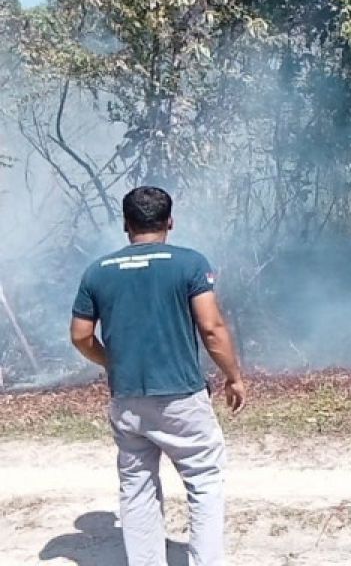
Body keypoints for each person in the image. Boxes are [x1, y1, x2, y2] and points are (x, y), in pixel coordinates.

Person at [69, 186, 246, 566]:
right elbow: (211, 328)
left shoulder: (97, 271)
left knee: (137, 488)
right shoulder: (190, 263)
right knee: (204, 481)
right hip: (182, 397)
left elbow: (81, 336)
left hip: (127, 398)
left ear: (125, 224)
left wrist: (110, 362)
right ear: (170, 221)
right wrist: (233, 376)